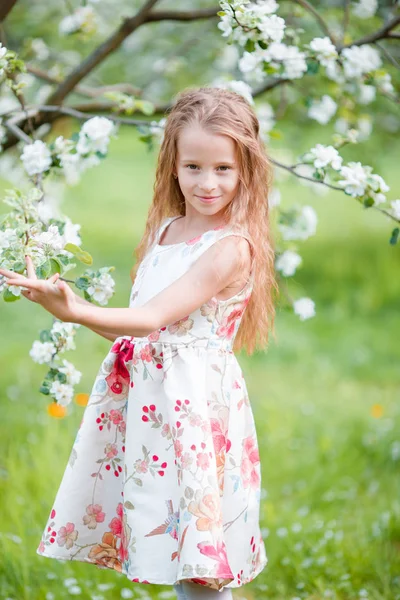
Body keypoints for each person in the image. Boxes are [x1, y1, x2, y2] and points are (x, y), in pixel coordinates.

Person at [0, 86, 278, 599]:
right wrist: (69, 309)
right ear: (173, 164)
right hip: (153, 408)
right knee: (173, 540)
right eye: (193, 166)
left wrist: (76, 309)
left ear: (246, 170)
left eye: (223, 168)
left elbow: (151, 318)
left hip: (193, 409)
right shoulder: (168, 230)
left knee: (200, 555)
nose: (207, 182)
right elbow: (132, 325)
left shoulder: (231, 249)